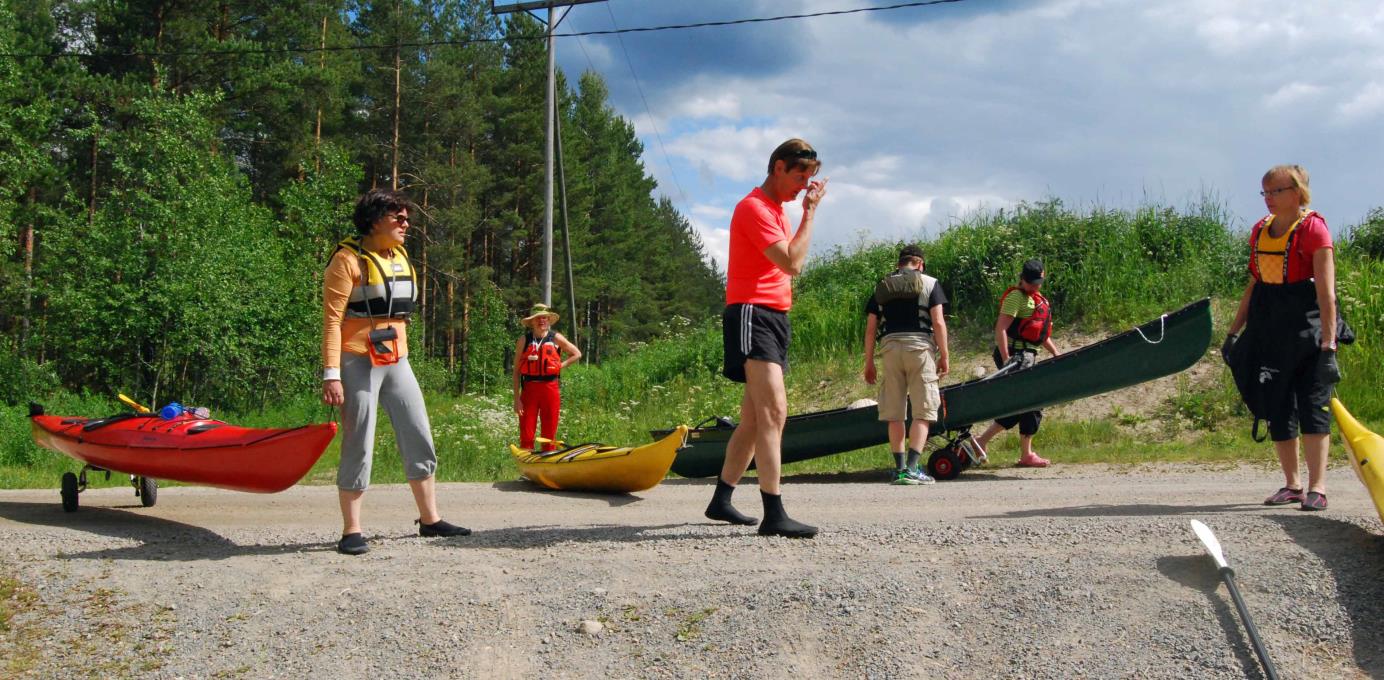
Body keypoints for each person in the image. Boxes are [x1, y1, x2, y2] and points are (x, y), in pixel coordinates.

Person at [322, 189, 470, 556]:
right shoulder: (346, 260)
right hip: (357, 361)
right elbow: (331, 320)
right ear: (374, 220)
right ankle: (351, 529)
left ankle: (430, 520)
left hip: (397, 361)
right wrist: (331, 373)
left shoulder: (400, 256)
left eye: (407, 218)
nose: (406, 224)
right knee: (359, 441)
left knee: (418, 432)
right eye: (398, 218)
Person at [703, 138, 828, 539]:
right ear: (778, 167)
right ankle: (774, 514)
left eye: (810, 177)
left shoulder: (776, 211)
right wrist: (810, 214)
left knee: (756, 419)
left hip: (773, 317)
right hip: (752, 314)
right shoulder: (754, 207)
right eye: (799, 175)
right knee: (774, 412)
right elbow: (792, 262)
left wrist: (802, 213)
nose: (804, 185)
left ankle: (721, 499)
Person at [1224, 165, 1340, 511]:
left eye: (1275, 191)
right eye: (1265, 192)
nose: (1268, 199)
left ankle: (1318, 488)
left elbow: (1326, 294)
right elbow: (1254, 286)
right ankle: (1293, 485)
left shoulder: (1314, 230)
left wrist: (1329, 346)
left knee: (1312, 404)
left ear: (1296, 191)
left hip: (1308, 328)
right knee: (1277, 406)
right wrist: (1233, 332)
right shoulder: (1260, 231)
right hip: (1269, 327)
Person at [862, 244, 949, 485]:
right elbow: (938, 323)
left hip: (890, 349)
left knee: (895, 413)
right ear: (920, 264)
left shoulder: (883, 286)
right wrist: (945, 355)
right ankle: (913, 469)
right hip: (919, 349)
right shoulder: (930, 283)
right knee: (923, 410)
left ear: (899, 263)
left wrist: (869, 362)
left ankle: (899, 469)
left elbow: (871, 329)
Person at [973, 259, 1060, 467]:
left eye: (1038, 282)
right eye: (1032, 282)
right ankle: (1026, 454)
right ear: (1022, 279)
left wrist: (1056, 353)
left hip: (1028, 354)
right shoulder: (1015, 297)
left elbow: (1040, 334)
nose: (1036, 286)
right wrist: (1006, 360)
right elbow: (1001, 329)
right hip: (1015, 355)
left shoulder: (1038, 300)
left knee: (1020, 404)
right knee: (1032, 401)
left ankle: (981, 441)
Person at [512, 303, 581, 452]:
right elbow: (516, 371)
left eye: (545, 318)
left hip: (550, 388)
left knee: (549, 432)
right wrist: (516, 399)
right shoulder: (524, 340)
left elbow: (576, 354)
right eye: (538, 318)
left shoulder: (555, 338)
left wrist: (560, 366)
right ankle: (528, 468)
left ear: (549, 320)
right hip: (529, 389)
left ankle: (547, 464)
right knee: (526, 431)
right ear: (532, 322)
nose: (541, 321)